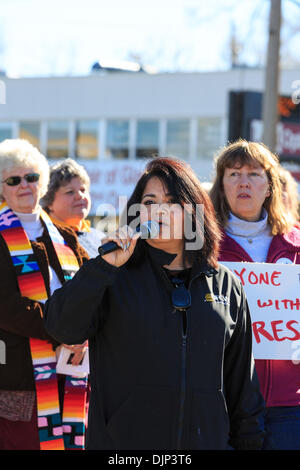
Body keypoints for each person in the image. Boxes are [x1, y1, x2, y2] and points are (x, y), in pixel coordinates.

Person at [44, 156, 265, 450]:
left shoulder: (226, 285)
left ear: (193, 213)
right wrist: (103, 267)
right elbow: (61, 327)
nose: (159, 210)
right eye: (149, 202)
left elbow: (243, 389)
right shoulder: (112, 276)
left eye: (172, 201)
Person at [210, 139, 300, 450]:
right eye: (233, 174)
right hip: (224, 402)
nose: (243, 182)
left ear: (271, 186)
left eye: (254, 174)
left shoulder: (297, 244)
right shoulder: (202, 249)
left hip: (290, 405)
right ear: (221, 186)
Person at [0, 139, 89, 450]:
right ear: (2, 189)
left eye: (31, 177)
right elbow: (8, 308)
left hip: (70, 374)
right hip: (20, 380)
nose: (25, 185)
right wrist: (61, 331)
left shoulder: (64, 235)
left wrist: (84, 332)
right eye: (13, 180)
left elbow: (90, 293)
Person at [41, 158, 105, 258]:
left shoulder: (100, 238)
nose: (80, 196)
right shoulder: (43, 240)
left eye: (83, 190)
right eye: (70, 192)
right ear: (49, 202)